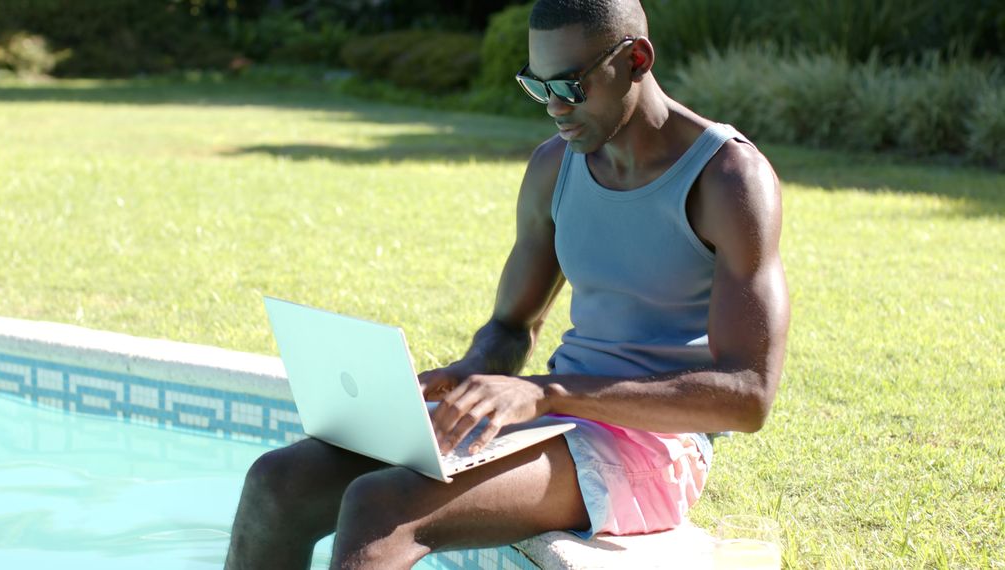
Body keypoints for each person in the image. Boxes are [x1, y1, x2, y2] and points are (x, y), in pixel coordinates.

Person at [224, 0, 789, 567]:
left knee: (382, 505)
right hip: (555, 418)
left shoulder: (728, 179)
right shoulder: (555, 167)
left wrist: (547, 392)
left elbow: (747, 397)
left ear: (636, 59)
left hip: (655, 447)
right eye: (537, 86)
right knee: (279, 481)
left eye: (570, 85)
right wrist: (471, 373)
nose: (554, 108)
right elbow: (510, 326)